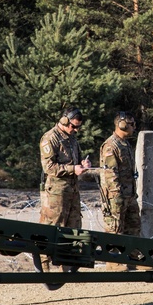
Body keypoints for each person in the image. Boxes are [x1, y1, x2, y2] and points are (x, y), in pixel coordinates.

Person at [36, 107, 92, 274]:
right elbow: (49, 167)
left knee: (73, 226)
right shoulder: (49, 138)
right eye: (73, 126)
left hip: (72, 190)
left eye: (78, 127)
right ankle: (44, 265)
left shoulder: (72, 139)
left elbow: (77, 159)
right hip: (57, 191)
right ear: (64, 121)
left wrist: (83, 165)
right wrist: (71, 169)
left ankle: (67, 266)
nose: (75, 130)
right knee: (52, 226)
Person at [99, 112, 142, 253]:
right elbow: (110, 174)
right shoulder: (111, 145)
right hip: (116, 197)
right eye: (131, 124)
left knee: (134, 228)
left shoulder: (125, 144)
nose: (134, 127)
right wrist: (117, 197)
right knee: (115, 230)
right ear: (122, 125)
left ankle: (134, 258)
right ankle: (114, 261)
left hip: (129, 195)